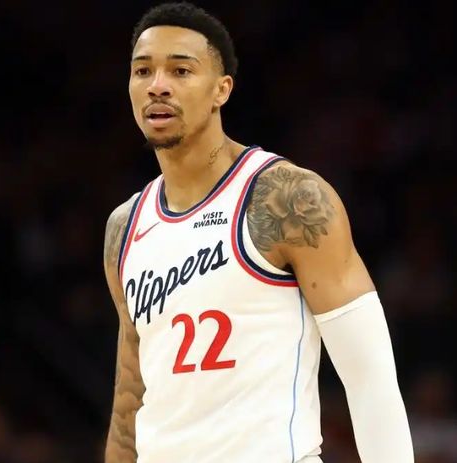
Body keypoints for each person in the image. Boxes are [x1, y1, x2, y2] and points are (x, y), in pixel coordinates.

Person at [103, 2, 414, 462]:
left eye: (181, 70)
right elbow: (130, 402)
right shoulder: (125, 227)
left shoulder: (288, 199)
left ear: (221, 89)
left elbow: (370, 378)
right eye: (143, 71)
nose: (158, 86)